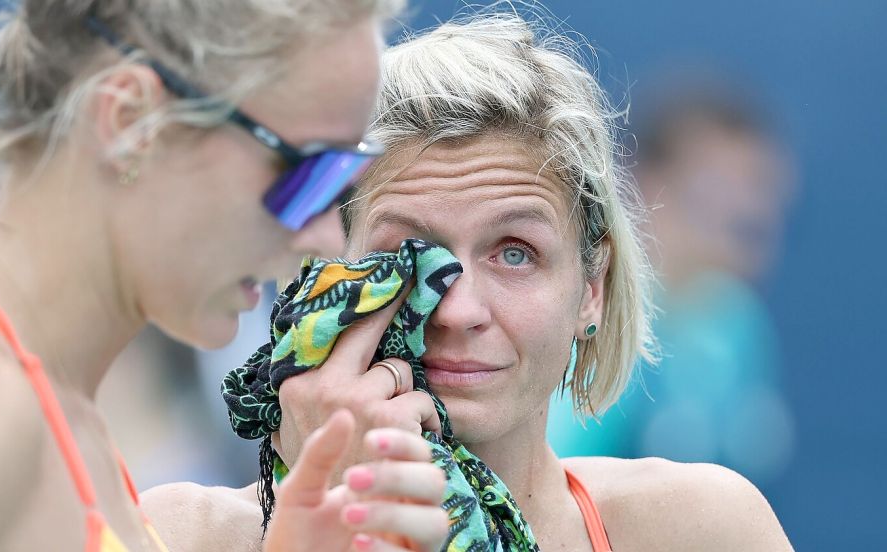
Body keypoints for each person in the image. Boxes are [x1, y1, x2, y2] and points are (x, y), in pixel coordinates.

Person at [0, 1, 450, 550]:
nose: (327, 238)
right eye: (305, 170)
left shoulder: (43, 402)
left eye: (345, 179)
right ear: (130, 121)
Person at [258, 14, 795, 551]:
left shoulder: (708, 530)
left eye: (515, 254)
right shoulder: (185, 531)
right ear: (324, 275)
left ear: (592, 287)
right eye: (408, 253)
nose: (456, 308)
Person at [546, 77, 797, 483]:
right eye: (721, 186)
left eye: (762, 187)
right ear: (645, 182)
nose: (750, 210)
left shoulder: (739, 322)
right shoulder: (594, 319)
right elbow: (546, 492)